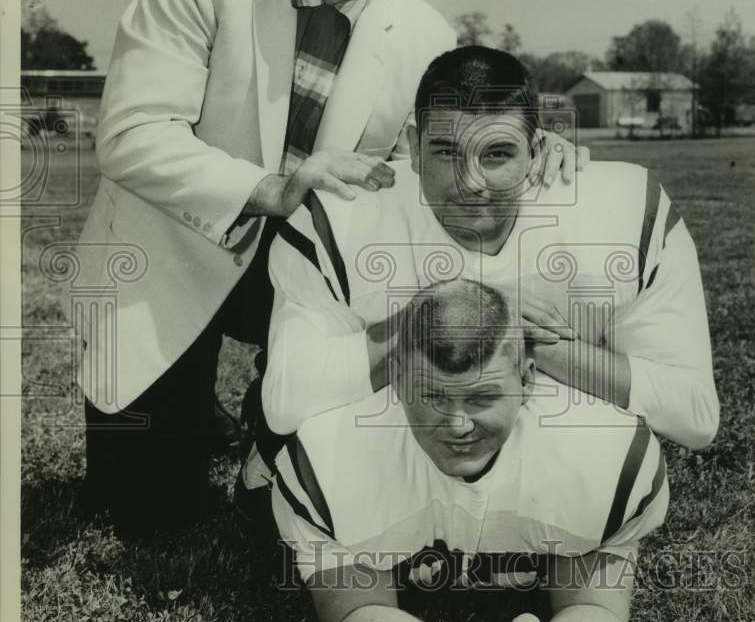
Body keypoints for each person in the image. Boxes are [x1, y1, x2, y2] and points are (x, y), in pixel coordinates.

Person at [67, 0, 584, 533]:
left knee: (277, 510)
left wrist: (531, 155)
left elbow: (440, 175)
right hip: (168, 249)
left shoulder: (427, 36)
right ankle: (185, 412)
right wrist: (271, 189)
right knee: (148, 513)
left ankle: (269, 426)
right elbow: (129, 134)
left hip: (299, 276)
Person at [250, 45, 719, 456]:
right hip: (393, 465)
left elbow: (695, 414)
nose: (471, 183)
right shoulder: (338, 218)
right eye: (446, 153)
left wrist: (509, 327)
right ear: (412, 148)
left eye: (497, 154)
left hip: (557, 473)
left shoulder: (624, 206)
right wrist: (449, 313)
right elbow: (285, 401)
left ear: (536, 150)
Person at [264, 279, 668, 622]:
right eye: (434, 396)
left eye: (481, 397)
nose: (458, 425)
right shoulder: (326, 458)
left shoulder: (606, 454)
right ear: (397, 378)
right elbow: (355, 610)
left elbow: (595, 604)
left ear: (528, 379)